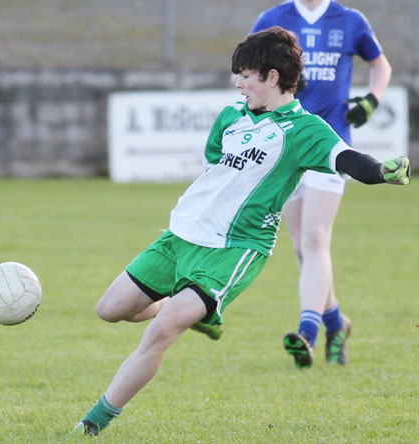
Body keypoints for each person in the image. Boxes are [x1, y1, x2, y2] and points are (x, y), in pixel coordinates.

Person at [72, 27, 409, 436]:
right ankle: (185, 307)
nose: (237, 82)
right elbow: (216, 166)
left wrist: (380, 172)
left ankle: (92, 425)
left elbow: (347, 158)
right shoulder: (232, 116)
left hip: (235, 249)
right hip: (181, 235)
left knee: (160, 333)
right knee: (109, 310)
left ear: (272, 77)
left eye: (246, 74)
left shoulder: (305, 130)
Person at [250, 0, 392, 368]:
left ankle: (307, 333)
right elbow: (249, 71)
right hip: (283, 145)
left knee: (315, 239)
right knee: (302, 247)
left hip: (329, 145)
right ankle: (336, 322)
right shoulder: (273, 19)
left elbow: (380, 65)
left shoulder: (349, 21)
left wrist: (372, 100)